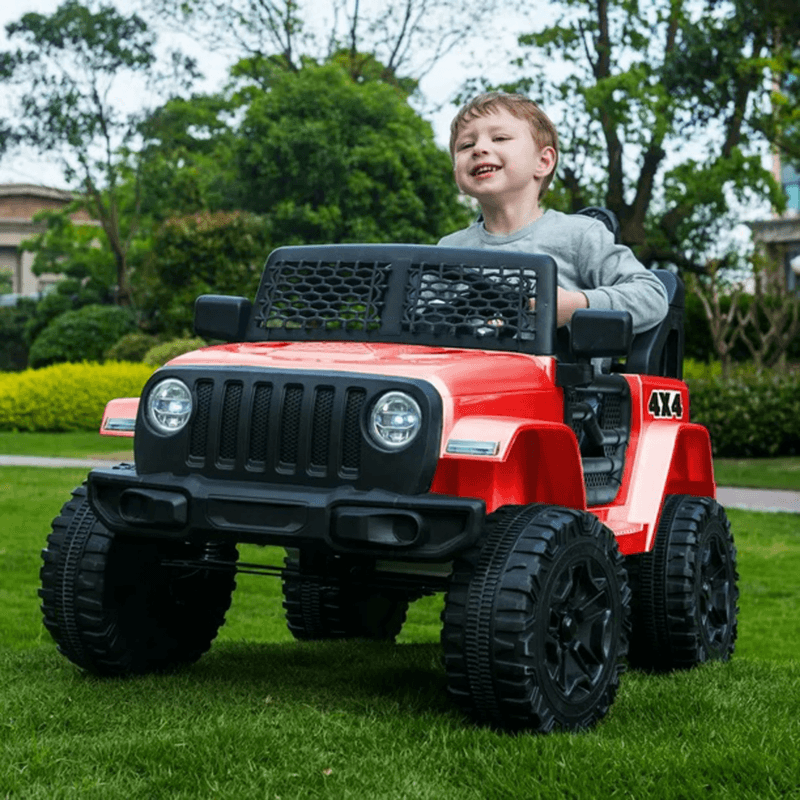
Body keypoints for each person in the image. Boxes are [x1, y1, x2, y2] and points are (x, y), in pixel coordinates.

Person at [438, 92, 668, 334]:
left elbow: (651, 295)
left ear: (543, 162)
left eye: (500, 138)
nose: (479, 149)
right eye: (466, 145)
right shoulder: (447, 250)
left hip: (559, 371)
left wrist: (579, 305)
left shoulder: (579, 235)